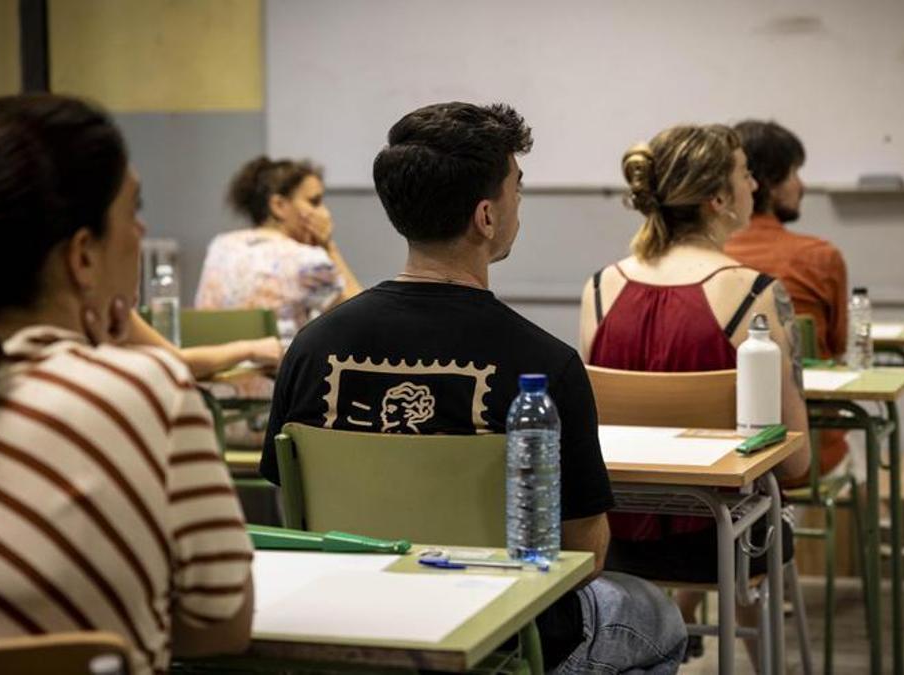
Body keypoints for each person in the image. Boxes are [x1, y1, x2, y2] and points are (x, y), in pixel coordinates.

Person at [261, 101, 686, 674]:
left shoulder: (310, 349)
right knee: (657, 617)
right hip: (508, 640)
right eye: (517, 187)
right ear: (486, 217)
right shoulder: (546, 366)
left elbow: (292, 507)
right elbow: (582, 555)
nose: (519, 204)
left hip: (354, 629)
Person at [0, 95, 253, 675]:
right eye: (133, 210)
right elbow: (222, 624)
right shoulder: (147, 391)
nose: (142, 229)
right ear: (82, 255)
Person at [578, 124, 811, 656]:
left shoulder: (599, 289)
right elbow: (797, 462)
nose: (755, 185)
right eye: (745, 174)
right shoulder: (756, 295)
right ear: (718, 200)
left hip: (614, 539)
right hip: (728, 542)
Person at [723, 119, 849, 476]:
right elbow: (837, 348)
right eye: (794, 173)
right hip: (800, 458)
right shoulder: (820, 258)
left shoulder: (698, 268)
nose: (801, 185)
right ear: (766, 182)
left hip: (716, 459)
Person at [196, 156, 363, 336]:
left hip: (222, 353)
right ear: (279, 205)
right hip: (280, 354)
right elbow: (362, 316)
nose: (324, 213)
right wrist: (328, 246)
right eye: (314, 202)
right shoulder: (308, 260)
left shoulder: (221, 246)